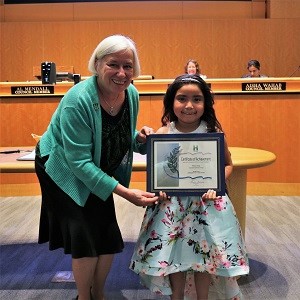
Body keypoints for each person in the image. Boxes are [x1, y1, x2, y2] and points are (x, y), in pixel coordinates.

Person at [34, 34, 159, 300]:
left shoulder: (131, 94)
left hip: (93, 166)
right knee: (85, 235)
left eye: (128, 66)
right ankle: (84, 297)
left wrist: (140, 138)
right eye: (113, 64)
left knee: (106, 233)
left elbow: (119, 135)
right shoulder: (77, 101)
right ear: (98, 63)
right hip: (61, 167)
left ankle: (98, 293)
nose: (121, 73)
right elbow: (78, 162)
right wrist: (126, 193)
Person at [130, 74, 249, 300]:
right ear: (170, 102)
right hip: (171, 208)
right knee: (175, 254)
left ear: (206, 104)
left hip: (207, 205)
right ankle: (177, 297)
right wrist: (160, 188)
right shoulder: (163, 133)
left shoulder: (213, 134)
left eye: (197, 99)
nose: (189, 105)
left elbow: (227, 164)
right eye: (182, 98)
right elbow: (160, 171)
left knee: (204, 254)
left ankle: (202, 297)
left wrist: (217, 182)